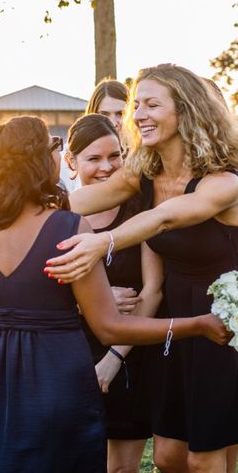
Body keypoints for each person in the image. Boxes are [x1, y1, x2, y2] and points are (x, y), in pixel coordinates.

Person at [0, 115, 231, 473]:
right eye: (54, 146)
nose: (58, 154)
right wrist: (196, 325)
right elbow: (110, 327)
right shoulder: (68, 228)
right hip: (60, 387)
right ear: (40, 161)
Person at [43, 64, 238, 473]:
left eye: (152, 104)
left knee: (205, 460)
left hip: (224, 324)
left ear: (186, 110)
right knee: (167, 457)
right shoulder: (145, 170)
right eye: (136, 105)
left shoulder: (225, 179)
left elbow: (167, 218)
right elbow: (77, 201)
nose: (138, 114)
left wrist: (104, 241)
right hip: (175, 322)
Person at [66, 113, 161, 473]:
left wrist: (114, 359)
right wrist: (90, 302)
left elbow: (152, 290)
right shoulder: (58, 217)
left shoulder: (140, 211)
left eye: (115, 156)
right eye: (93, 158)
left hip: (128, 355)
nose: (106, 167)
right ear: (71, 162)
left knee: (121, 468)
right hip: (71, 354)